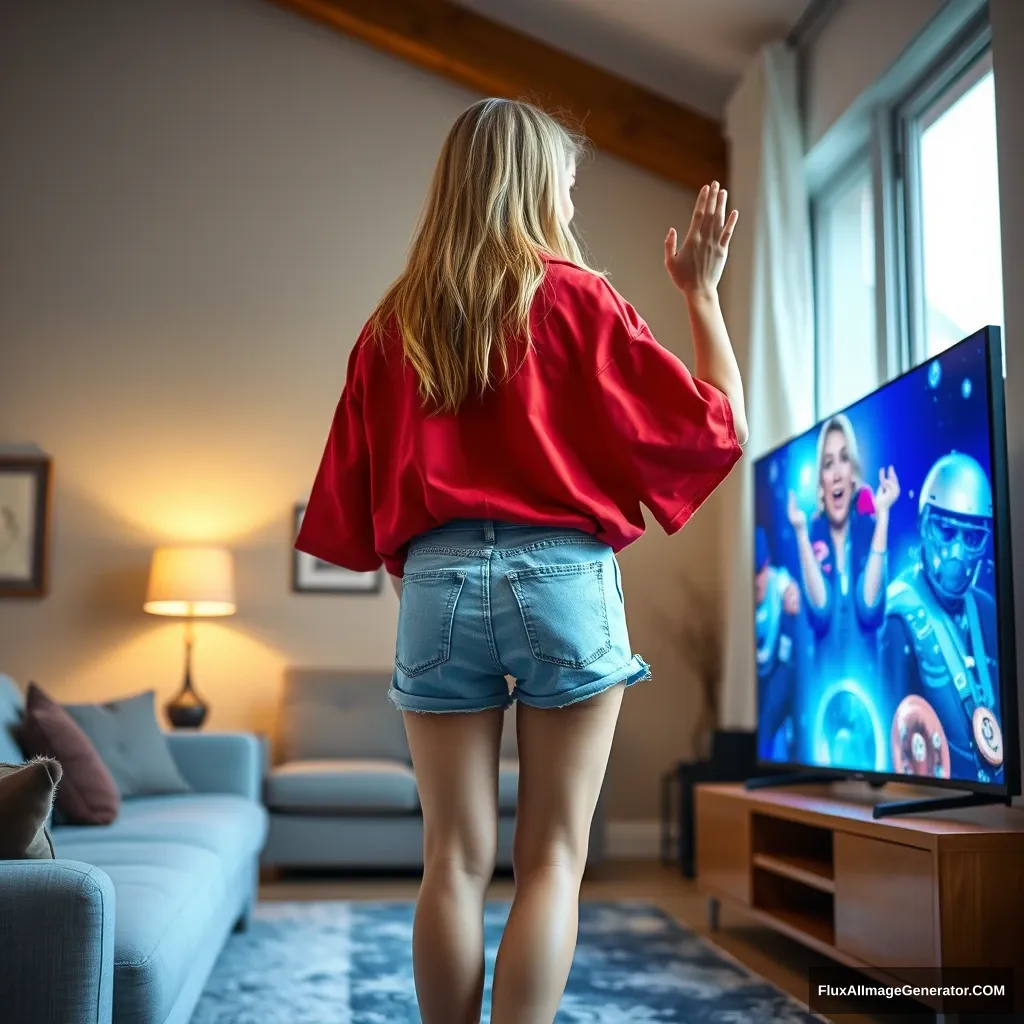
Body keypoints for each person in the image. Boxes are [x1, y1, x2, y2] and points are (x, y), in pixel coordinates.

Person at [295, 98, 747, 1024]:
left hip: (435, 582)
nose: (573, 200)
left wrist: (434, 572)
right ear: (538, 185)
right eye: (568, 183)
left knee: (452, 861)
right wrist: (701, 294)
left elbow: (361, 495)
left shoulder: (394, 323)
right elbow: (716, 427)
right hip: (564, 580)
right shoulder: (582, 298)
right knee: (552, 858)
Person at [881, 452, 1003, 783]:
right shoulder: (899, 616)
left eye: (972, 537)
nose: (957, 554)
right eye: (946, 532)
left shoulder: (987, 609)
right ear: (924, 525)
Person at [787, 415, 899, 695]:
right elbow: (821, 609)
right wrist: (801, 533)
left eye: (844, 459)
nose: (836, 472)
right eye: (827, 464)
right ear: (821, 484)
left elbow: (869, 607)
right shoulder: (812, 534)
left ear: (852, 477)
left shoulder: (870, 530)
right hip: (823, 707)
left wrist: (882, 517)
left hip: (871, 704)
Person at [753, 526, 800, 761]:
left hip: (779, 672)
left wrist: (792, 594)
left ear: (767, 564)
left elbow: (791, 589)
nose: (756, 581)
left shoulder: (780, 583)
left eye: (760, 570)